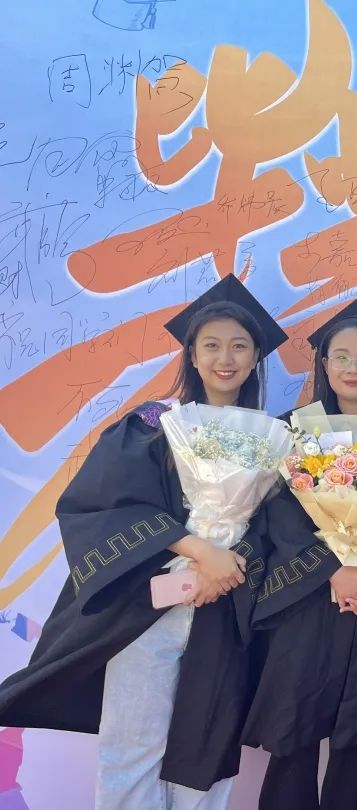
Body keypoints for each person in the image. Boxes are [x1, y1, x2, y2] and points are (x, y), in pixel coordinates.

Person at [0, 275, 288, 809]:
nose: (225, 358)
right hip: (149, 606)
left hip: (226, 606)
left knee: (207, 744)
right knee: (132, 743)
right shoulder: (153, 424)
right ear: (192, 356)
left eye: (239, 346)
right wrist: (200, 553)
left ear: (255, 358)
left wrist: (228, 566)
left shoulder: (275, 439)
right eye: (211, 345)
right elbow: (108, 503)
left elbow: (279, 525)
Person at [242, 291, 357, 810]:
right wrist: (333, 572)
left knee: (355, 732)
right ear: (324, 365)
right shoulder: (295, 431)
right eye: (341, 356)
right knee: (293, 728)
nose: (353, 367)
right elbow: (279, 517)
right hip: (306, 598)